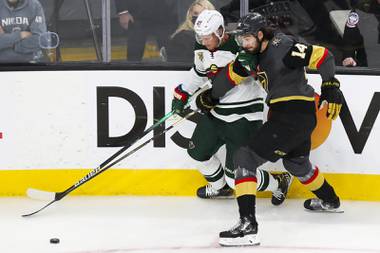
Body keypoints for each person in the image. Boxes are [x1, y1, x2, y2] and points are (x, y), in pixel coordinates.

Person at [196, 12, 344, 246]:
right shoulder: (252, 55)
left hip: (292, 114)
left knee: (244, 157)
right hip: (297, 117)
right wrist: (211, 96)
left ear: (261, 34)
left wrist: (330, 85)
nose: (242, 44)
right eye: (241, 39)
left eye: (246, 38)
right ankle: (330, 200)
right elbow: (231, 76)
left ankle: (248, 227)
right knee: (296, 164)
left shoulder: (282, 46)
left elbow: (324, 56)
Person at [171, 10, 292, 204]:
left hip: (243, 117)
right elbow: (199, 71)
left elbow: (264, 64)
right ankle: (220, 188)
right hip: (216, 112)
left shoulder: (241, 43)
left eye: (207, 36)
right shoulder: (201, 46)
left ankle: (279, 182)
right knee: (197, 154)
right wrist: (183, 92)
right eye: (200, 36)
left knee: (236, 178)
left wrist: (254, 64)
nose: (203, 41)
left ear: (220, 31)